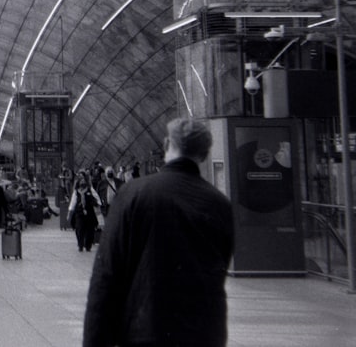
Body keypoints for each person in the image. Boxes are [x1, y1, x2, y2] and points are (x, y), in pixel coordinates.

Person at [82, 118, 235, 347]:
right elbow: (220, 267)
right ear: (204, 155)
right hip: (204, 332)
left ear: (166, 145)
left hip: (146, 330)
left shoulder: (133, 193)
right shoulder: (220, 204)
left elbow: (107, 274)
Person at [67, 171, 101, 251]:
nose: (82, 182)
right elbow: (73, 202)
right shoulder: (76, 192)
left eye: (83, 180)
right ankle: (80, 244)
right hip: (79, 213)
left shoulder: (90, 189)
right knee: (79, 228)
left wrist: (97, 204)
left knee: (90, 230)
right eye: (80, 180)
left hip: (89, 213)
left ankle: (88, 245)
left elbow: (96, 198)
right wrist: (69, 213)